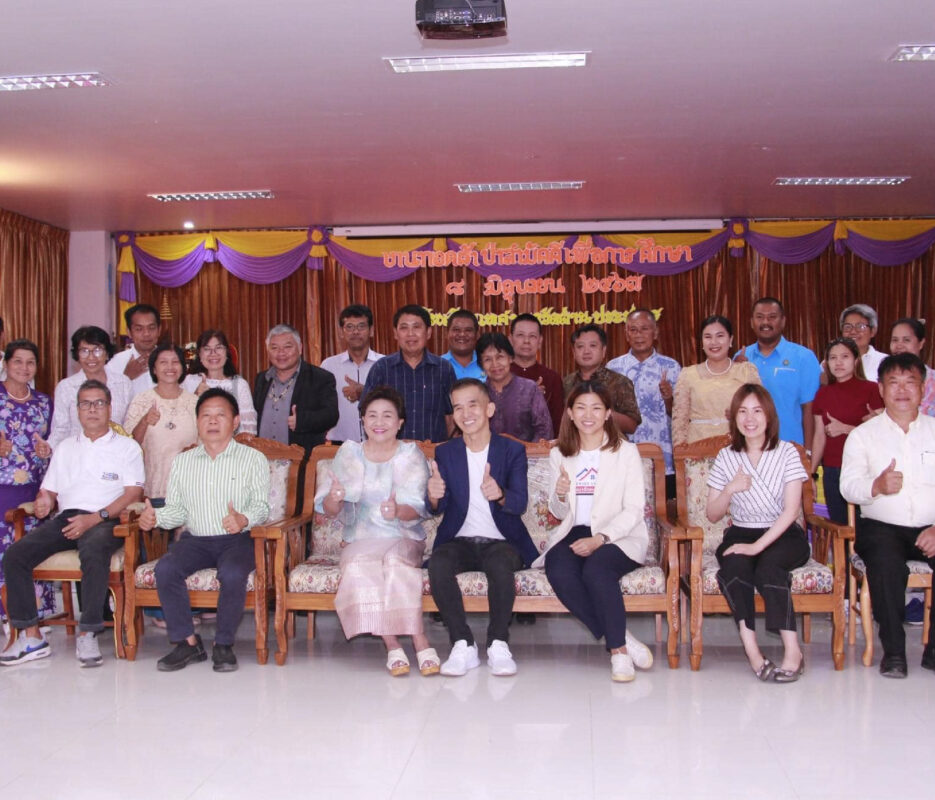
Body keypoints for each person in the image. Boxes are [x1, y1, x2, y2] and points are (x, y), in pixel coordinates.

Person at [0, 380, 144, 667]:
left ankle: (88, 632)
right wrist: (44, 501)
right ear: (77, 410)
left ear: (109, 408)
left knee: (93, 549)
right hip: (67, 517)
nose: (92, 409)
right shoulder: (66, 447)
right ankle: (31, 635)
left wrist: (95, 518)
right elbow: (49, 490)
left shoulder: (127, 447)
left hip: (107, 519)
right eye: (86, 404)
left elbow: (133, 494)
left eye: (99, 403)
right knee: (15, 555)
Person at [139, 388, 270, 673]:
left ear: (235, 421)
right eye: (205, 415)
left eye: (220, 415)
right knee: (166, 569)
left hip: (238, 540)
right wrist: (155, 517)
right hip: (196, 540)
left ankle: (223, 645)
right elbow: (177, 511)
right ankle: (188, 643)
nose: (212, 421)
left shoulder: (253, 459)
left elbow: (262, 506)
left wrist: (243, 519)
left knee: (232, 573)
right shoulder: (183, 461)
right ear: (197, 421)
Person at [534, 382, 652, 682]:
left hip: (619, 535)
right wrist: (560, 494)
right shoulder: (560, 453)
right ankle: (620, 635)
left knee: (597, 570)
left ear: (608, 413)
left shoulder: (626, 452)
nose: (589, 415)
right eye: (581, 408)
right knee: (558, 569)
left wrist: (600, 539)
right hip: (576, 530)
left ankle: (618, 653)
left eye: (596, 408)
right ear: (570, 413)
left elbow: (634, 509)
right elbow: (559, 512)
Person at [316, 387, 438, 676]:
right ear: (363, 420)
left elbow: (419, 508)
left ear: (400, 422)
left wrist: (398, 511)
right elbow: (330, 509)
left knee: (394, 561)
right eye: (372, 415)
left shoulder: (410, 455)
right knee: (360, 563)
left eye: (387, 416)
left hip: (402, 536)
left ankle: (419, 640)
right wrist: (334, 497)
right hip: (360, 538)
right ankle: (393, 645)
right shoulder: (349, 453)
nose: (379, 422)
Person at [427, 379, 536, 676]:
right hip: (460, 539)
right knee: (438, 563)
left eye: (472, 405)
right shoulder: (446, 452)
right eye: (458, 407)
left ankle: (498, 643)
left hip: (502, 540)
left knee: (500, 565)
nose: (465, 414)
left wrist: (499, 494)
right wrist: (434, 496)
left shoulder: (511, 450)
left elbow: (519, 503)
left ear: (489, 409)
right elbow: (440, 505)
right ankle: (462, 644)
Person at [706, 384, 810, 683]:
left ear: (769, 416)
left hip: (783, 534)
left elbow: (791, 511)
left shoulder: (787, 452)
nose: (749, 419)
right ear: (733, 417)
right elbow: (713, 513)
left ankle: (793, 652)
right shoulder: (726, 456)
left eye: (757, 411)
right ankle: (753, 651)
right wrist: (729, 489)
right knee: (734, 569)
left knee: (769, 568)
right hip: (741, 532)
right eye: (742, 411)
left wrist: (757, 547)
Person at [840, 353, 935, 678]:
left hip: (930, 526)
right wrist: (876, 486)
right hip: (882, 527)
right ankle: (894, 652)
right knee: (886, 564)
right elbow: (848, 487)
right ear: (881, 389)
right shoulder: (863, 435)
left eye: (910, 382)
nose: (902, 390)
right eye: (894, 383)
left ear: (923, 388)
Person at [0, 339, 54, 623]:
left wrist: (48, 450)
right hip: (2, 490)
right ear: (6, 363)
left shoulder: (44, 402)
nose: (24, 367)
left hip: (35, 491)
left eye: (30, 362)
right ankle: (6, 615)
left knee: (32, 552)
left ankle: (34, 616)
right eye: (18, 361)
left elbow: (54, 441)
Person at [607, 309, 682, 496]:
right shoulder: (613, 368)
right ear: (626, 334)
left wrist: (668, 398)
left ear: (655, 332)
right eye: (633, 330)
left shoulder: (671, 367)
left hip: (662, 456)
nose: (639, 335)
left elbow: (680, 416)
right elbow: (607, 415)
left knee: (663, 508)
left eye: (644, 329)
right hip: (623, 455)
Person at [810, 338, 883, 524]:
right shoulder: (822, 394)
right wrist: (810, 473)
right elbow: (819, 436)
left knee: (865, 526)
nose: (838, 362)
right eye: (833, 358)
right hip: (832, 469)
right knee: (839, 525)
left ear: (856, 360)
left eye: (845, 357)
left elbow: (882, 434)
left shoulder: (872, 389)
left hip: (864, 468)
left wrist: (845, 429)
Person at [736, 297, 821, 446]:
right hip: (749, 448)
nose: (765, 322)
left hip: (791, 447)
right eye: (759, 317)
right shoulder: (741, 357)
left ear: (783, 321)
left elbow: (810, 408)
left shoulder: (803, 357)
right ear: (751, 322)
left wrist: (808, 451)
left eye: (772, 317)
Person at [364, 305, 455, 442]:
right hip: (391, 452)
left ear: (428, 332)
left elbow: (451, 416)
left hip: (432, 451)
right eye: (404, 328)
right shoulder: (381, 368)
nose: (410, 334)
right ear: (395, 333)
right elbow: (367, 413)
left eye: (416, 327)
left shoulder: (444, 369)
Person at [125, 344, 198, 504]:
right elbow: (129, 446)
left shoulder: (195, 402)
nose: (170, 367)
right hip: (152, 490)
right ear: (154, 369)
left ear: (183, 367)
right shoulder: (141, 400)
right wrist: (144, 421)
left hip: (189, 490)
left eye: (175, 362)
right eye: (163, 362)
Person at [672, 315, 761, 445]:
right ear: (702, 342)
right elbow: (679, 421)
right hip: (697, 448)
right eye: (708, 337)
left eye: (720, 336)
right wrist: (680, 452)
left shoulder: (746, 371)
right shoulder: (688, 374)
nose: (714, 342)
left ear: (730, 339)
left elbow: (761, 412)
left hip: (738, 445)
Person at [253, 324, 338, 452]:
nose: (281, 353)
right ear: (267, 351)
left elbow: (331, 415)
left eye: (287, 347)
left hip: (301, 458)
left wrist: (302, 421)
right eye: (274, 348)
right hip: (263, 458)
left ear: (300, 349)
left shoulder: (320, 378)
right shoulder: (262, 379)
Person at [49, 326, 132, 450]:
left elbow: (129, 425)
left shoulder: (123, 383)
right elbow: (60, 429)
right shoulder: (66, 387)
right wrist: (49, 448)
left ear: (107, 353)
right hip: (78, 453)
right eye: (84, 351)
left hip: (115, 453)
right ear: (77, 354)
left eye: (97, 350)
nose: (91, 357)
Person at [320, 304, 383, 444]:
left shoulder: (384, 364)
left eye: (361, 326)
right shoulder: (328, 366)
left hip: (379, 442)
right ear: (341, 332)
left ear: (371, 330)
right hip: (339, 444)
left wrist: (365, 392)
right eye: (349, 327)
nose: (355, 332)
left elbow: (395, 403)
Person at [562, 324, 641, 435]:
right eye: (580, 346)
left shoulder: (620, 382)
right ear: (573, 352)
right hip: (574, 444)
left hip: (610, 444)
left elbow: (631, 425)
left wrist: (600, 413)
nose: (586, 351)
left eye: (593, 345)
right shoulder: (566, 383)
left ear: (603, 350)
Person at [476, 332, 552, 442]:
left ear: (511, 358)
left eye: (500, 357)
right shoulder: (478, 393)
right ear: (481, 365)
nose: (495, 364)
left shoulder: (530, 389)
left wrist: (528, 450)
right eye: (487, 359)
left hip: (527, 452)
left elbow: (544, 430)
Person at [182, 329, 257, 434]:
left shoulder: (239, 384)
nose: (213, 353)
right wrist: (195, 397)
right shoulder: (189, 381)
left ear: (226, 353)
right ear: (199, 354)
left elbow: (248, 431)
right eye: (207, 349)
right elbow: (179, 423)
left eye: (218, 348)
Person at [509, 313, 565, 436]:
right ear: (511, 339)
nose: (526, 341)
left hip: (543, 446)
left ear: (540, 341)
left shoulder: (552, 378)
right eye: (520, 335)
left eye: (532, 336)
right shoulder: (500, 376)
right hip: (507, 445)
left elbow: (558, 424)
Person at [108, 303, 161, 398]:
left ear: (159, 330)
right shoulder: (117, 363)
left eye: (151, 328)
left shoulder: (171, 360)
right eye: (139, 329)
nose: (146, 334)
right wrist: (126, 377)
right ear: (129, 332)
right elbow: (108, 399)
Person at [889, 317, 935, 416]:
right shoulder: (883, 378)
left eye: (906, 340)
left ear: (921, 343)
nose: (899, 345)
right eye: (895, 340)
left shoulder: (933, 380)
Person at [840, 303, 886, 382]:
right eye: (847, 327)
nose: (853, 331)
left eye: (860, 326)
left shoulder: (884, 361)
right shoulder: (831, 361)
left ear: (873, 331)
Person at [441, 309, 485, 380]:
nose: (462, 334)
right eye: (456, 330)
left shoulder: (487, 363)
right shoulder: (437, 365)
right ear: (447, 334)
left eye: (468, 330)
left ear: (477, 335)